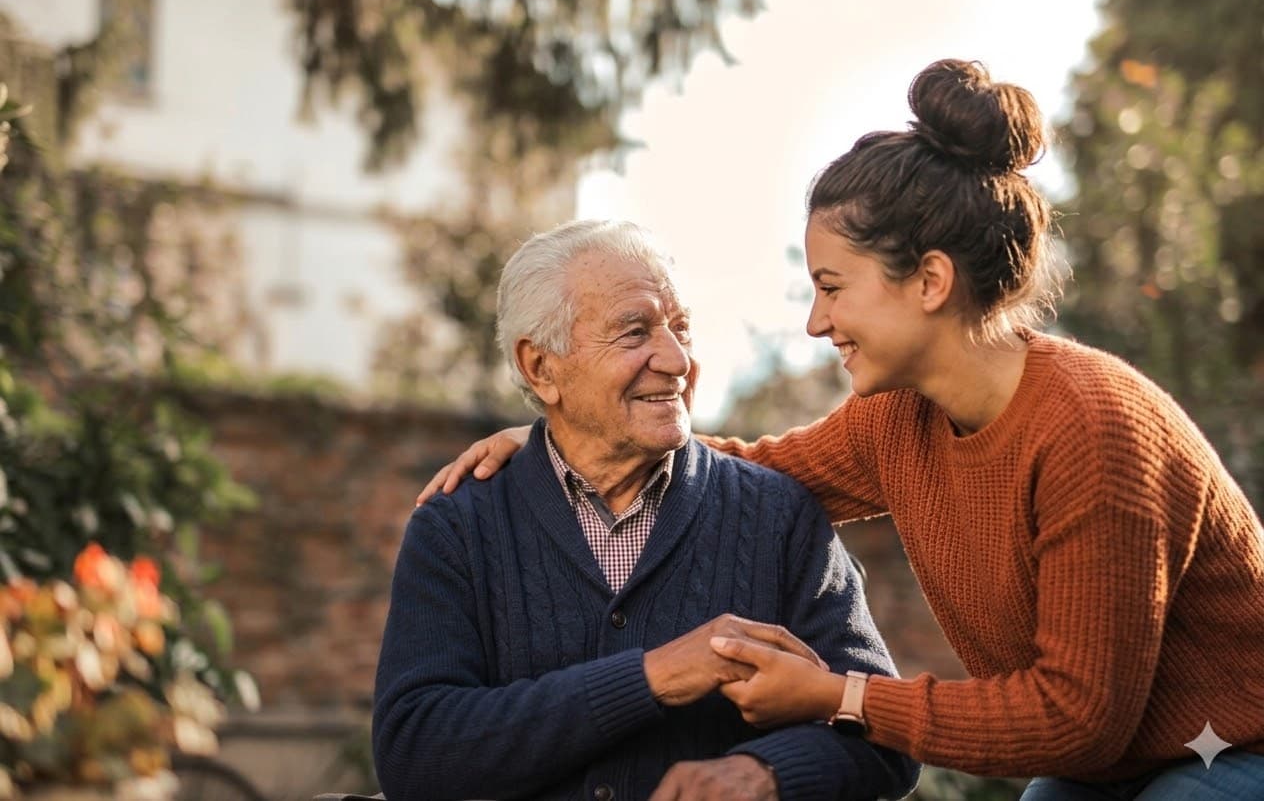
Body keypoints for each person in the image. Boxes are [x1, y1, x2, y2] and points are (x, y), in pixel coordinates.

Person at [414, 60, 1264, 800]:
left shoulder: (1092, 431)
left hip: (1233, 754)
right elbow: (748, 473)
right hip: (1114, 766)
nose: (817, 322)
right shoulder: (897, 421)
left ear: (929, 280)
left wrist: (836, 697)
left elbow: (1075, 721)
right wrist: (551, 444)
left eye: (833, 286)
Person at [374, 219, 919, 801]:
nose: (677, 359)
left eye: (682, 328)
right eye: (635, 333)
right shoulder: (460, 524)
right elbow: (414, 751)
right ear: (541, 368)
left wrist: (764, 773)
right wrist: (651, 677)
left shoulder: (779, 515)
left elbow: (883, 736)